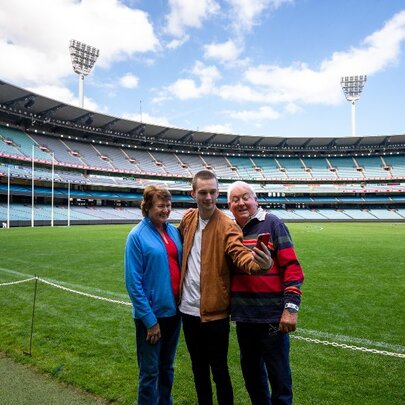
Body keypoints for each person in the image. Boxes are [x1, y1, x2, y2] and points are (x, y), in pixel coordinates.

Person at [178, 170, 272, 405]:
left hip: (215, 314)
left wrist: (257, 264)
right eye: (202, 193)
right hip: (188, 311)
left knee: (219, 371)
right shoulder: (188, 219)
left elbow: (239, 253)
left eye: (212, 192)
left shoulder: (227, 225)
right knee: (198, 370)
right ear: (193, 193)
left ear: (218, 193)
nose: (208, 198)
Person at [227, 181, 304, 405]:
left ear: (256, 200)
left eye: (245, 197)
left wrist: (290, 308)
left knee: (279, 378)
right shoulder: (230, 230)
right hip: (244, 317)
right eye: (235, 199)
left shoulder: (272, 223)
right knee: (252, 377)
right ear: (229, 205)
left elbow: (292, 268)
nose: (241, 203)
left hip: (271, 317)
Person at [125, 185, 182, 405]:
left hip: (174, 313)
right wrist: (150, 321)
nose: (166, 210)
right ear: (147, 207)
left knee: (167, 367)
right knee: (150, 372)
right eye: (161, 205)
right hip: (151, 318)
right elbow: (133, 283)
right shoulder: (137, 236)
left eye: (168, 205)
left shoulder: (173, 231)